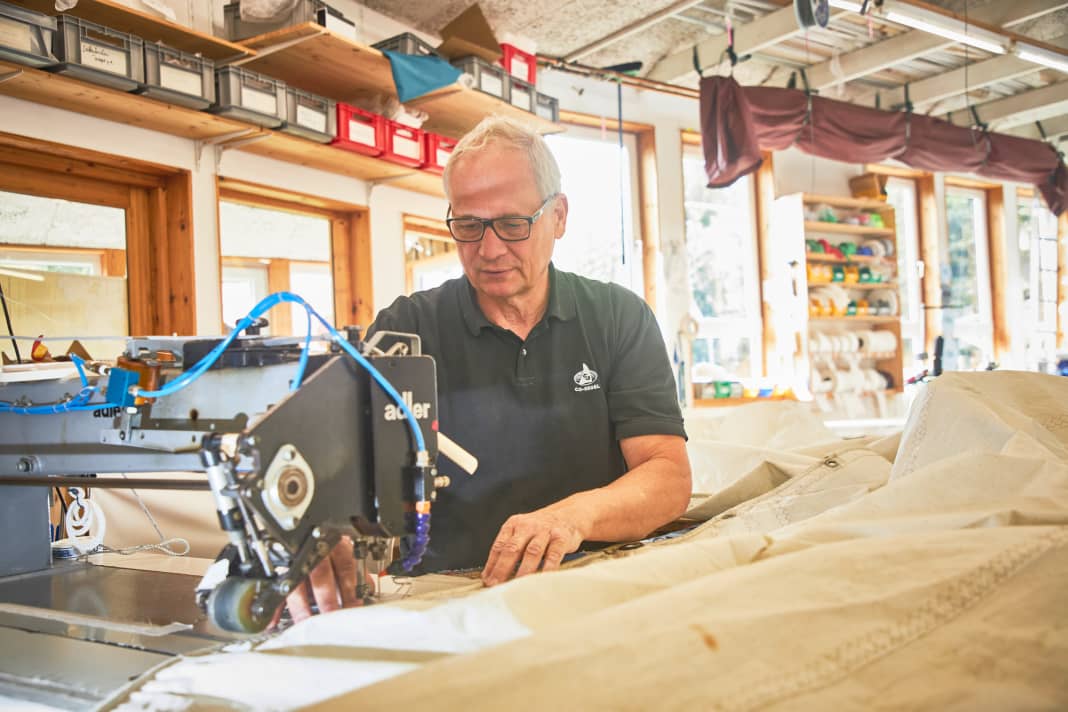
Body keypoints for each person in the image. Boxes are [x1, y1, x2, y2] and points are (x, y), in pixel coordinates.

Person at [285, 116, 690, 620]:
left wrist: (572, 518)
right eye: (469, 226)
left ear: (558, 216)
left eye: (513, 224)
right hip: (450, 598)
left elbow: (667, 476)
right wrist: (327, 535)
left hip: (594, 587)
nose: (490, 250)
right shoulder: (407, 330)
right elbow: (342, 468)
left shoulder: (617, 317)